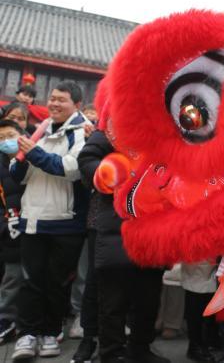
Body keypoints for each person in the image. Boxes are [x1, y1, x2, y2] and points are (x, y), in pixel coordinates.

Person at [10, 81, 89, 360]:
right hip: (33, 218)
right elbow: (18, 175)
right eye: (52, 98)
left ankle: (51, 332)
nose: (54, 103)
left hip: (65, 221)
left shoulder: (82, 132)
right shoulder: (41, 129)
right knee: (30, 281)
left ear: (76, 105)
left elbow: (71, 168)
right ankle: (27, 334)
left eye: (61, 100)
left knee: (57, 284)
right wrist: (21, 159)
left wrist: (33, 153)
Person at [77, 129, 170, 363]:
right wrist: (110, 174)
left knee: (148, 296)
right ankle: (111, 352)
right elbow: (87, 158)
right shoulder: (112, 129)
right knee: (112, 299)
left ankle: (140, 348)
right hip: (115, 223)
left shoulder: (164, 130)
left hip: (153, 226)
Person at [0, 120, 26, 345]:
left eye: (10, 135)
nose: (6, 141)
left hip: (37, 224)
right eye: (1, 138)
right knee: (12, 277)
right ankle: (6, 320)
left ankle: (32, 323)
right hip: (9, 228)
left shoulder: (33, 159)